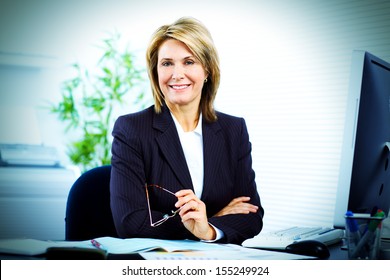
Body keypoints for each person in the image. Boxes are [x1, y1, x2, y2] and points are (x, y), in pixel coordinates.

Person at [110, 17, 264, 245]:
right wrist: (207, 222)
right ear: (156, 72)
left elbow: (251, 215)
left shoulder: (233, 130)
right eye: (167, 63)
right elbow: (130, 221)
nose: (177, 74)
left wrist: (209, 229)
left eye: (189, 62)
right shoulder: (132, 130)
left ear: (208, 70)